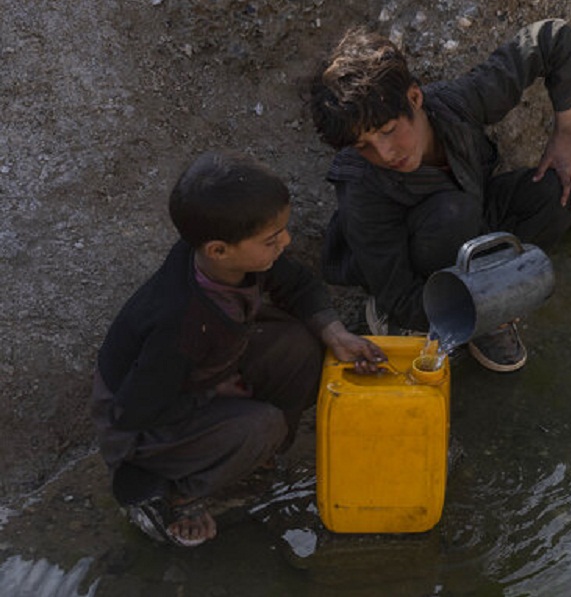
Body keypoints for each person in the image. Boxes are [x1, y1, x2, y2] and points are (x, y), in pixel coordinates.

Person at [92, 151, 388, 547]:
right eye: (271, 239)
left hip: (197, 376)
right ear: (218, 250)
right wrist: (215, 390)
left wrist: (336, 334)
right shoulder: (179, 322)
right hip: (140, 425)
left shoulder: (234, 261)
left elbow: (298, 285)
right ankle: (174, 490)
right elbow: (134, 409)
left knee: (301, 346)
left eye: (282, 231)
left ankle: (254, 455)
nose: (285, 242)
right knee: (261, 424)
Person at [304, 18, 571, 373]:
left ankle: (483, 302)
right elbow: (397, 291)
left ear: (414, 98)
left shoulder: (459, 103)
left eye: (389, 131)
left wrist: (566, 134)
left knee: (558, 191)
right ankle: (456, 317)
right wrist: (479, 313)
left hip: (471, 220)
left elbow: (550, 37)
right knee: (452, 212)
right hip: (409, 267)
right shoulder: (362, 186)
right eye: (364, 145)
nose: (384, 154)